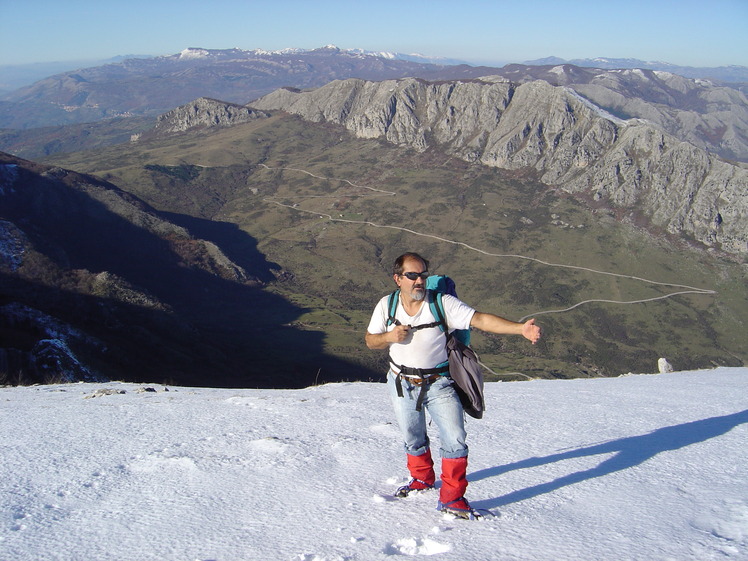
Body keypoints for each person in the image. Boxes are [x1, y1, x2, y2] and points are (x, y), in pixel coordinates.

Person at [365, 252, 542, 519]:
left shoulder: (441, 303)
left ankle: (452, 497)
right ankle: (421, 479)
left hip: (439, 383)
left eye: (423, 275)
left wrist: (520, 329)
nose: (419, 281)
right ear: (398, 278)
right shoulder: (386, 305)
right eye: (412, 275)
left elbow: (479, 319)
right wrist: (389, 336)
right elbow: (370, 341)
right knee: (413, 438)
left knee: (455, 439)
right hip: (401, 383)